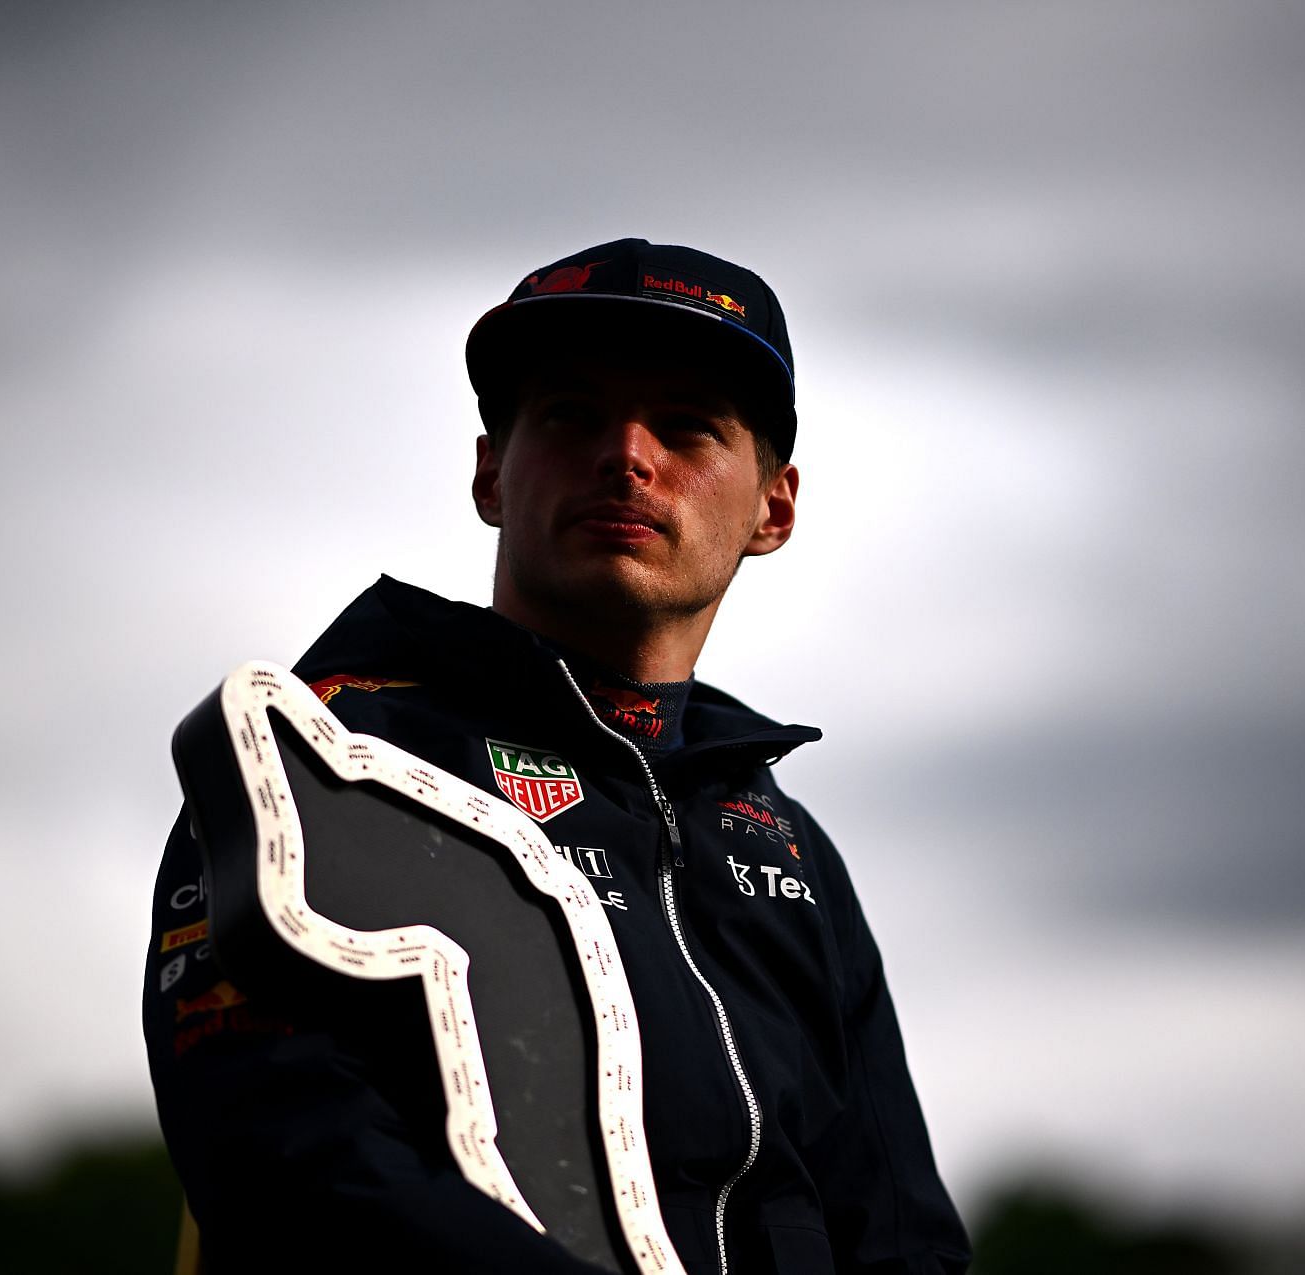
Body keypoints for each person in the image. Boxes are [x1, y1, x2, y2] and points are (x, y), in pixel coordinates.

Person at [143, 238, 972, 1275]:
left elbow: (903, 1242)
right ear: (493, 472)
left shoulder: (793, 855)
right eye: (572, 414)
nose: (627, 452)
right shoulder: (326, 761)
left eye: (687, 427)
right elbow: (291, 1168)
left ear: (775, 507)